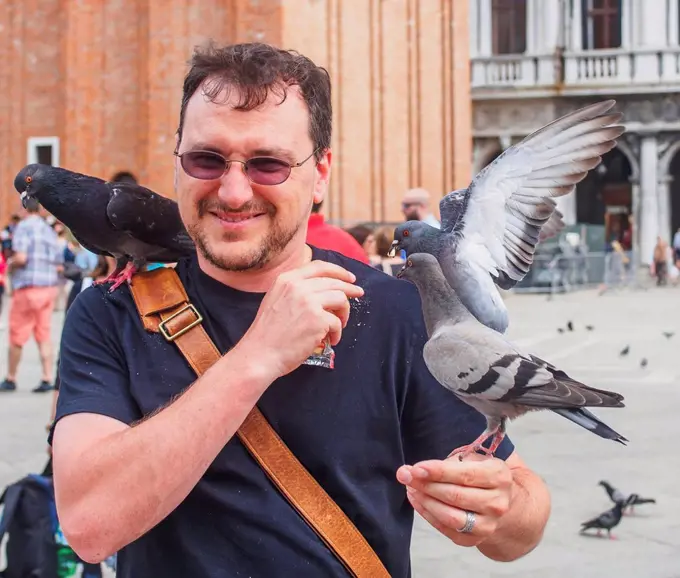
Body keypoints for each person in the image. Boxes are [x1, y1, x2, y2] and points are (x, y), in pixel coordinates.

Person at [51, 42, 551, 577]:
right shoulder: (111, 313)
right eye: (206, 159)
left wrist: (498, 511)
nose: (234, 190)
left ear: (321, 174)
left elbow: (523, 520)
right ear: (177, 162)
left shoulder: (397, 311)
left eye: (268, 164)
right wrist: (256, 356)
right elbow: (88, 525)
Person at [0, 199, 63, 393]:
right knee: (43, 333)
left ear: (24, 208)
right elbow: (58, 261)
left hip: (28, 288)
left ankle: (11, 378)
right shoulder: (48, 229)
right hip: (48, 288)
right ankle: (46, 377)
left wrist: (9, 264)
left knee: (17, 334)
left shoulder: (23, 227)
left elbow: (21, 257)